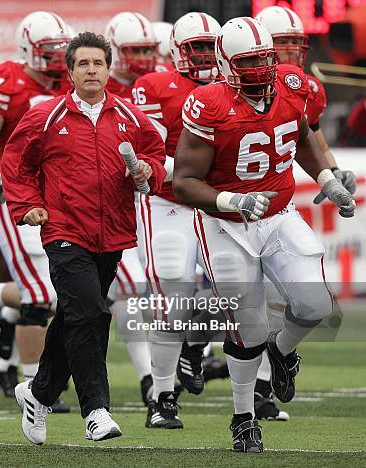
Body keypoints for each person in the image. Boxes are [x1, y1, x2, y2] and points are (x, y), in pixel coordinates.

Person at [173, 17, 355, 452]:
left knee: (314, 303)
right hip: (224, 224)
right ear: (227, 65)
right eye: (249, 62)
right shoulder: (207, 104)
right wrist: (230, 202)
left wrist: (327, 179)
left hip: (277, 212)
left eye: (265, 59)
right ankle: (243, 418)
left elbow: (304, 135)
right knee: (248, 325)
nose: (261, 69)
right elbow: (183, 181)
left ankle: (283, 350)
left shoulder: (292, 86)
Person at [2, 31, 166, 445]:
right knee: (90, 312)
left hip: (112, 233)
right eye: (83, 64)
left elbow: (156, 157)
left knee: (77, 316)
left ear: (109, 69)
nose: (91, 70)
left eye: (98, 63)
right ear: (70, 71)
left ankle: (38, 394)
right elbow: (15, 163)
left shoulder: (130, 116)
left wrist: (147, 171)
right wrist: (28, 207)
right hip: (64, 231)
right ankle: (96, 410)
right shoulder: (46, 115)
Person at [0, 11, 71, 410]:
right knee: (39, 296)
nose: (58, 59)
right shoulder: (9, 81)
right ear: (28, 51)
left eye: (62, 50)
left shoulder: (77, 79)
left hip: (64, 197)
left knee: (69, 293)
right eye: (49, 51)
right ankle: (36, 388)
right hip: (19, 194)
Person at [132, 11, 220, 429]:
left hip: (220, 205)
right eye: (196, 47)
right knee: (171, 299)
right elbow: (146, 150)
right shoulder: (154, 87)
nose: (204, 55)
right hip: (170, 203)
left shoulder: (234, 87)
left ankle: (196, 345)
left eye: (209, 46)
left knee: (244, 291)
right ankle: (162, 397)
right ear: (177, 51)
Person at [104, 11, 158, 406]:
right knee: (131, 288)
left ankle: (175, 365)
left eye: (147, 49)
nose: (142, 57)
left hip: (155, 199)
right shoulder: (95, 89)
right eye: (134, 50)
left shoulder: (159, 85)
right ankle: (149, 377)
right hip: (109, 204)